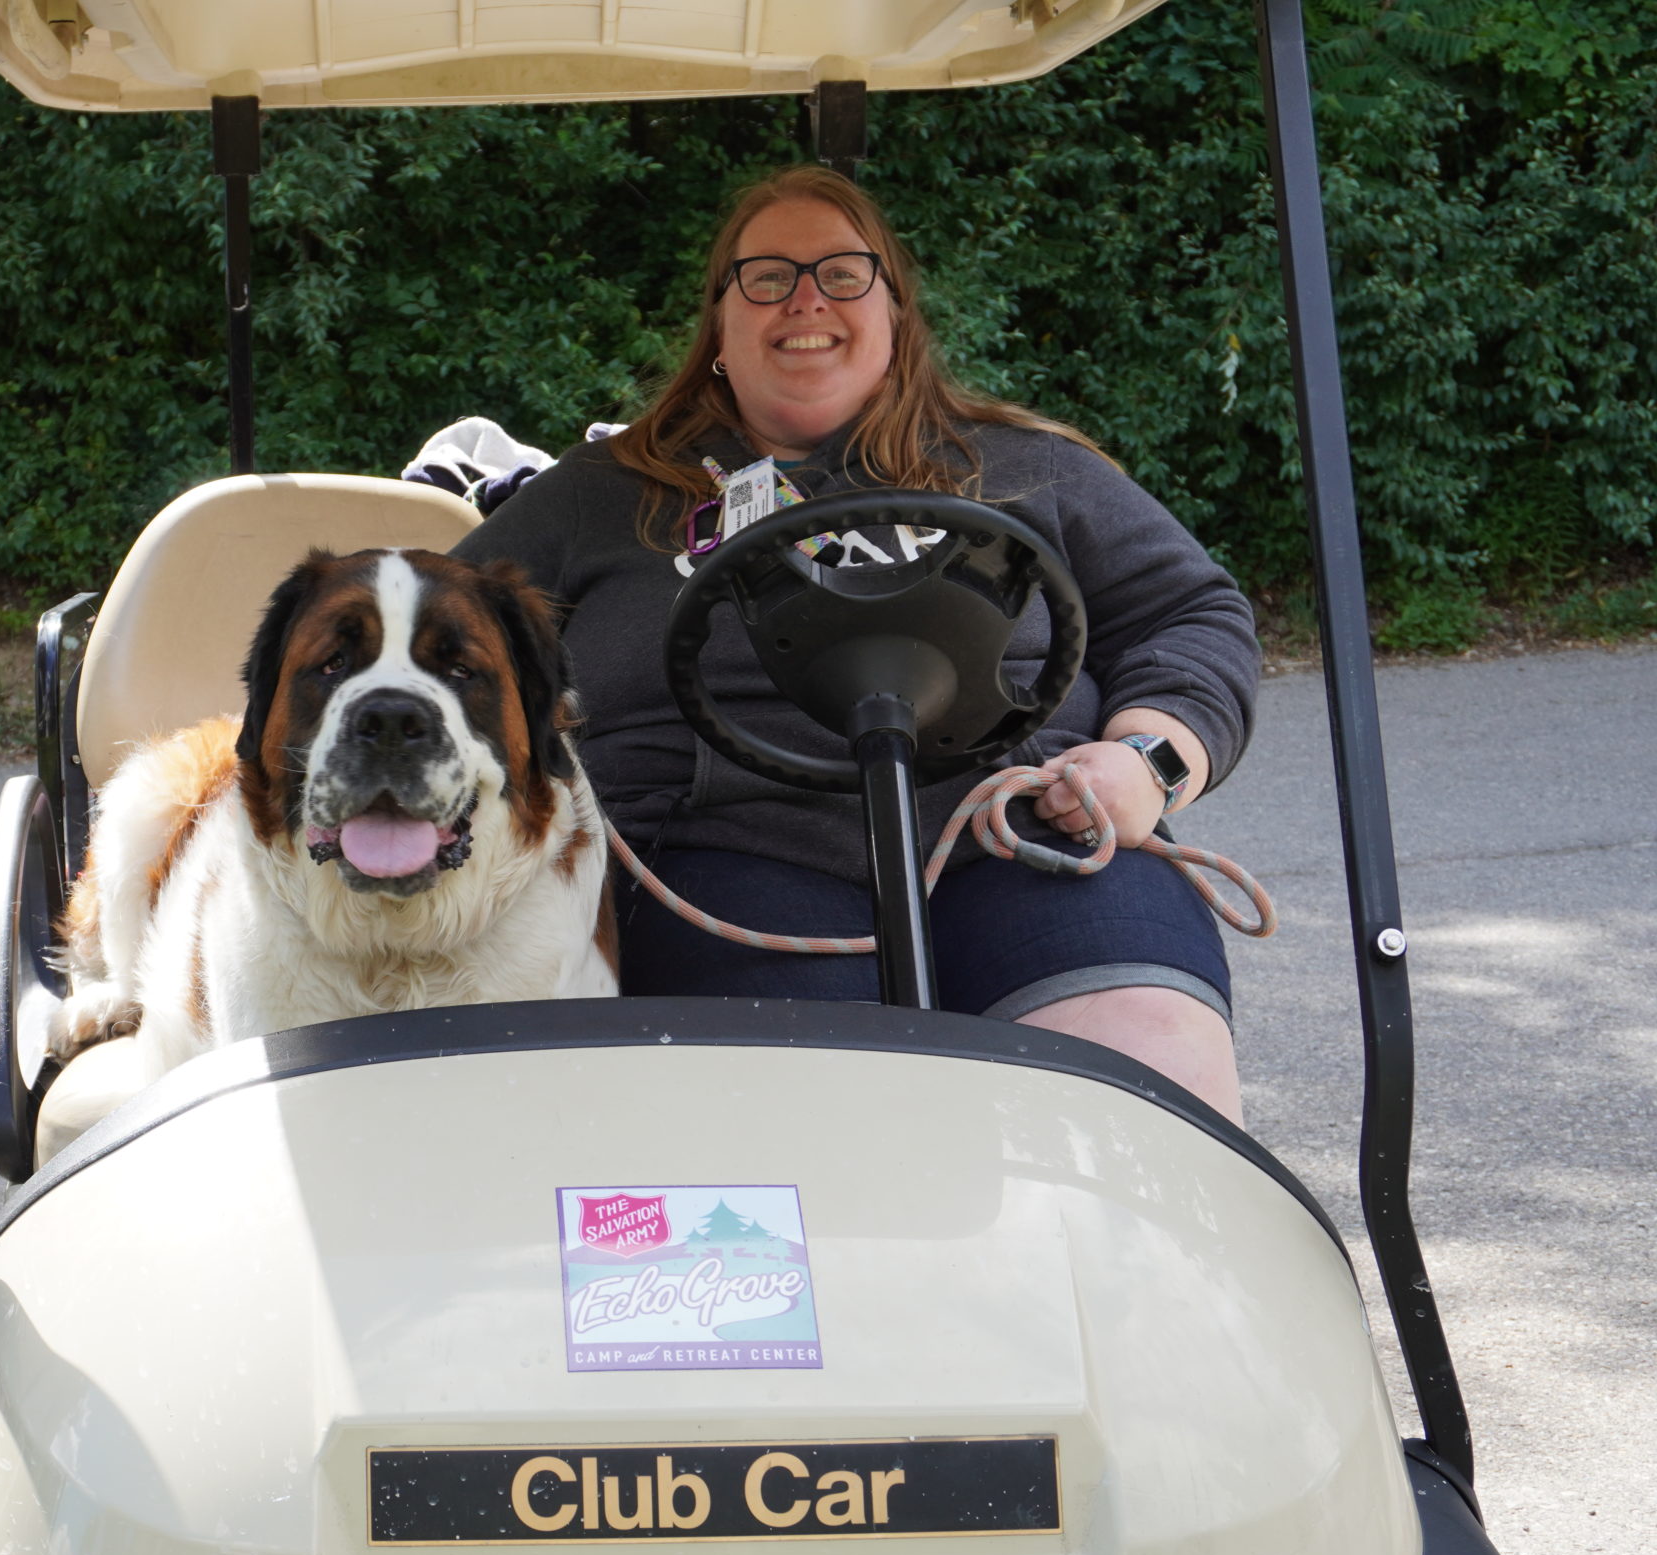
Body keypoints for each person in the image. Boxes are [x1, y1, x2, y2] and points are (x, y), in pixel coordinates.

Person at [451, 165, 1260, 1122]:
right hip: (718, 853)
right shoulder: (600, 496)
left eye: (843, 273)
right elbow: (430, 637)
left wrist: (1147, 763)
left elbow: (1192, 612)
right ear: (719, 321)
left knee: (1147, 1080)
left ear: (896, 313)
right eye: (767, 276)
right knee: (823, 1135)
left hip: (1028, 828)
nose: (805, 298)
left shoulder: (1027, 465)